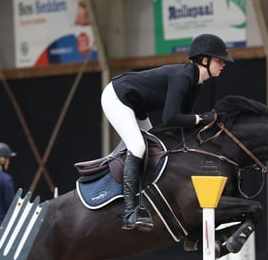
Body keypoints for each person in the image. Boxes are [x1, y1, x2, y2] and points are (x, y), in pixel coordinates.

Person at [100, 33, 233, 231]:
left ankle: (144, 202)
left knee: (155, 148)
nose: (223, 64)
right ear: (204, 60)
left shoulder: (196, 84)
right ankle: (129, 213)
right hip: (117, 97)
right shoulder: (183, 77)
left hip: (136, 106)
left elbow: (181, 123)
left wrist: (206, 124)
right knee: (137, 146)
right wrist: (200, 118)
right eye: (219, 60)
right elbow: (170, 118)